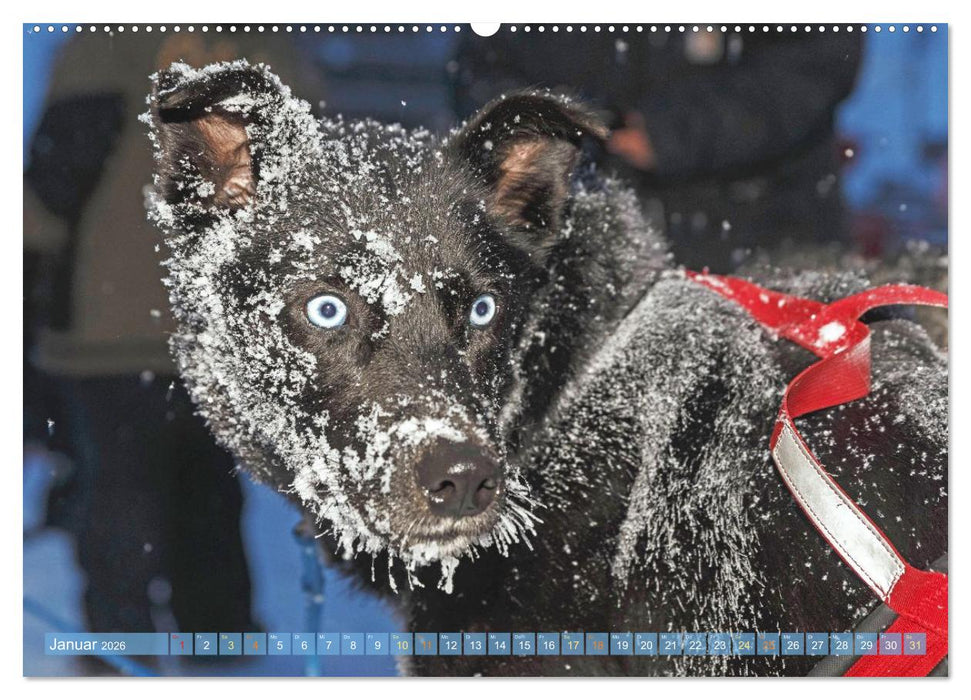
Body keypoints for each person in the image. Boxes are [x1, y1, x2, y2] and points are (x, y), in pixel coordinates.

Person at [24, 30, 324, 643]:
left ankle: (120, 647)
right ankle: (219, 642)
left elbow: (56, 178)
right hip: (216, 325)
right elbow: (309, 169)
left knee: (118, 496)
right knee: (207, 495)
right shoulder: (268, 48)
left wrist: (36, 274)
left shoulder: (104, 43)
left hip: (111, 322)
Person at [451, 28, 863, 271]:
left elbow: (812, 68)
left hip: (762, 233)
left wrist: (670, 133)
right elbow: (482, 68)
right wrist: (560, 128)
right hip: (583, 241)